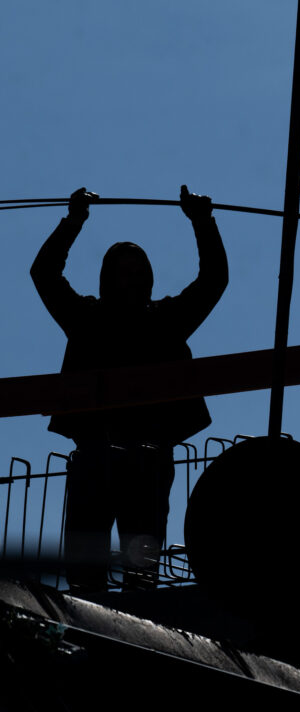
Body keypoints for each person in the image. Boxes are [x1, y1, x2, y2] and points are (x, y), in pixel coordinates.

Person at [32, 185, 228, 590]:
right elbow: (45, 274)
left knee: (139, 575)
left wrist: (203, 223)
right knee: (88, 576)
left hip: (146, 462)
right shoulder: (92, 318)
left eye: (141, 275)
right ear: (110, 279)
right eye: (128, 274)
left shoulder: (161, 319)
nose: (136, 282)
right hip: (100, 459)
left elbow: (213, 281)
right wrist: (73, 221)